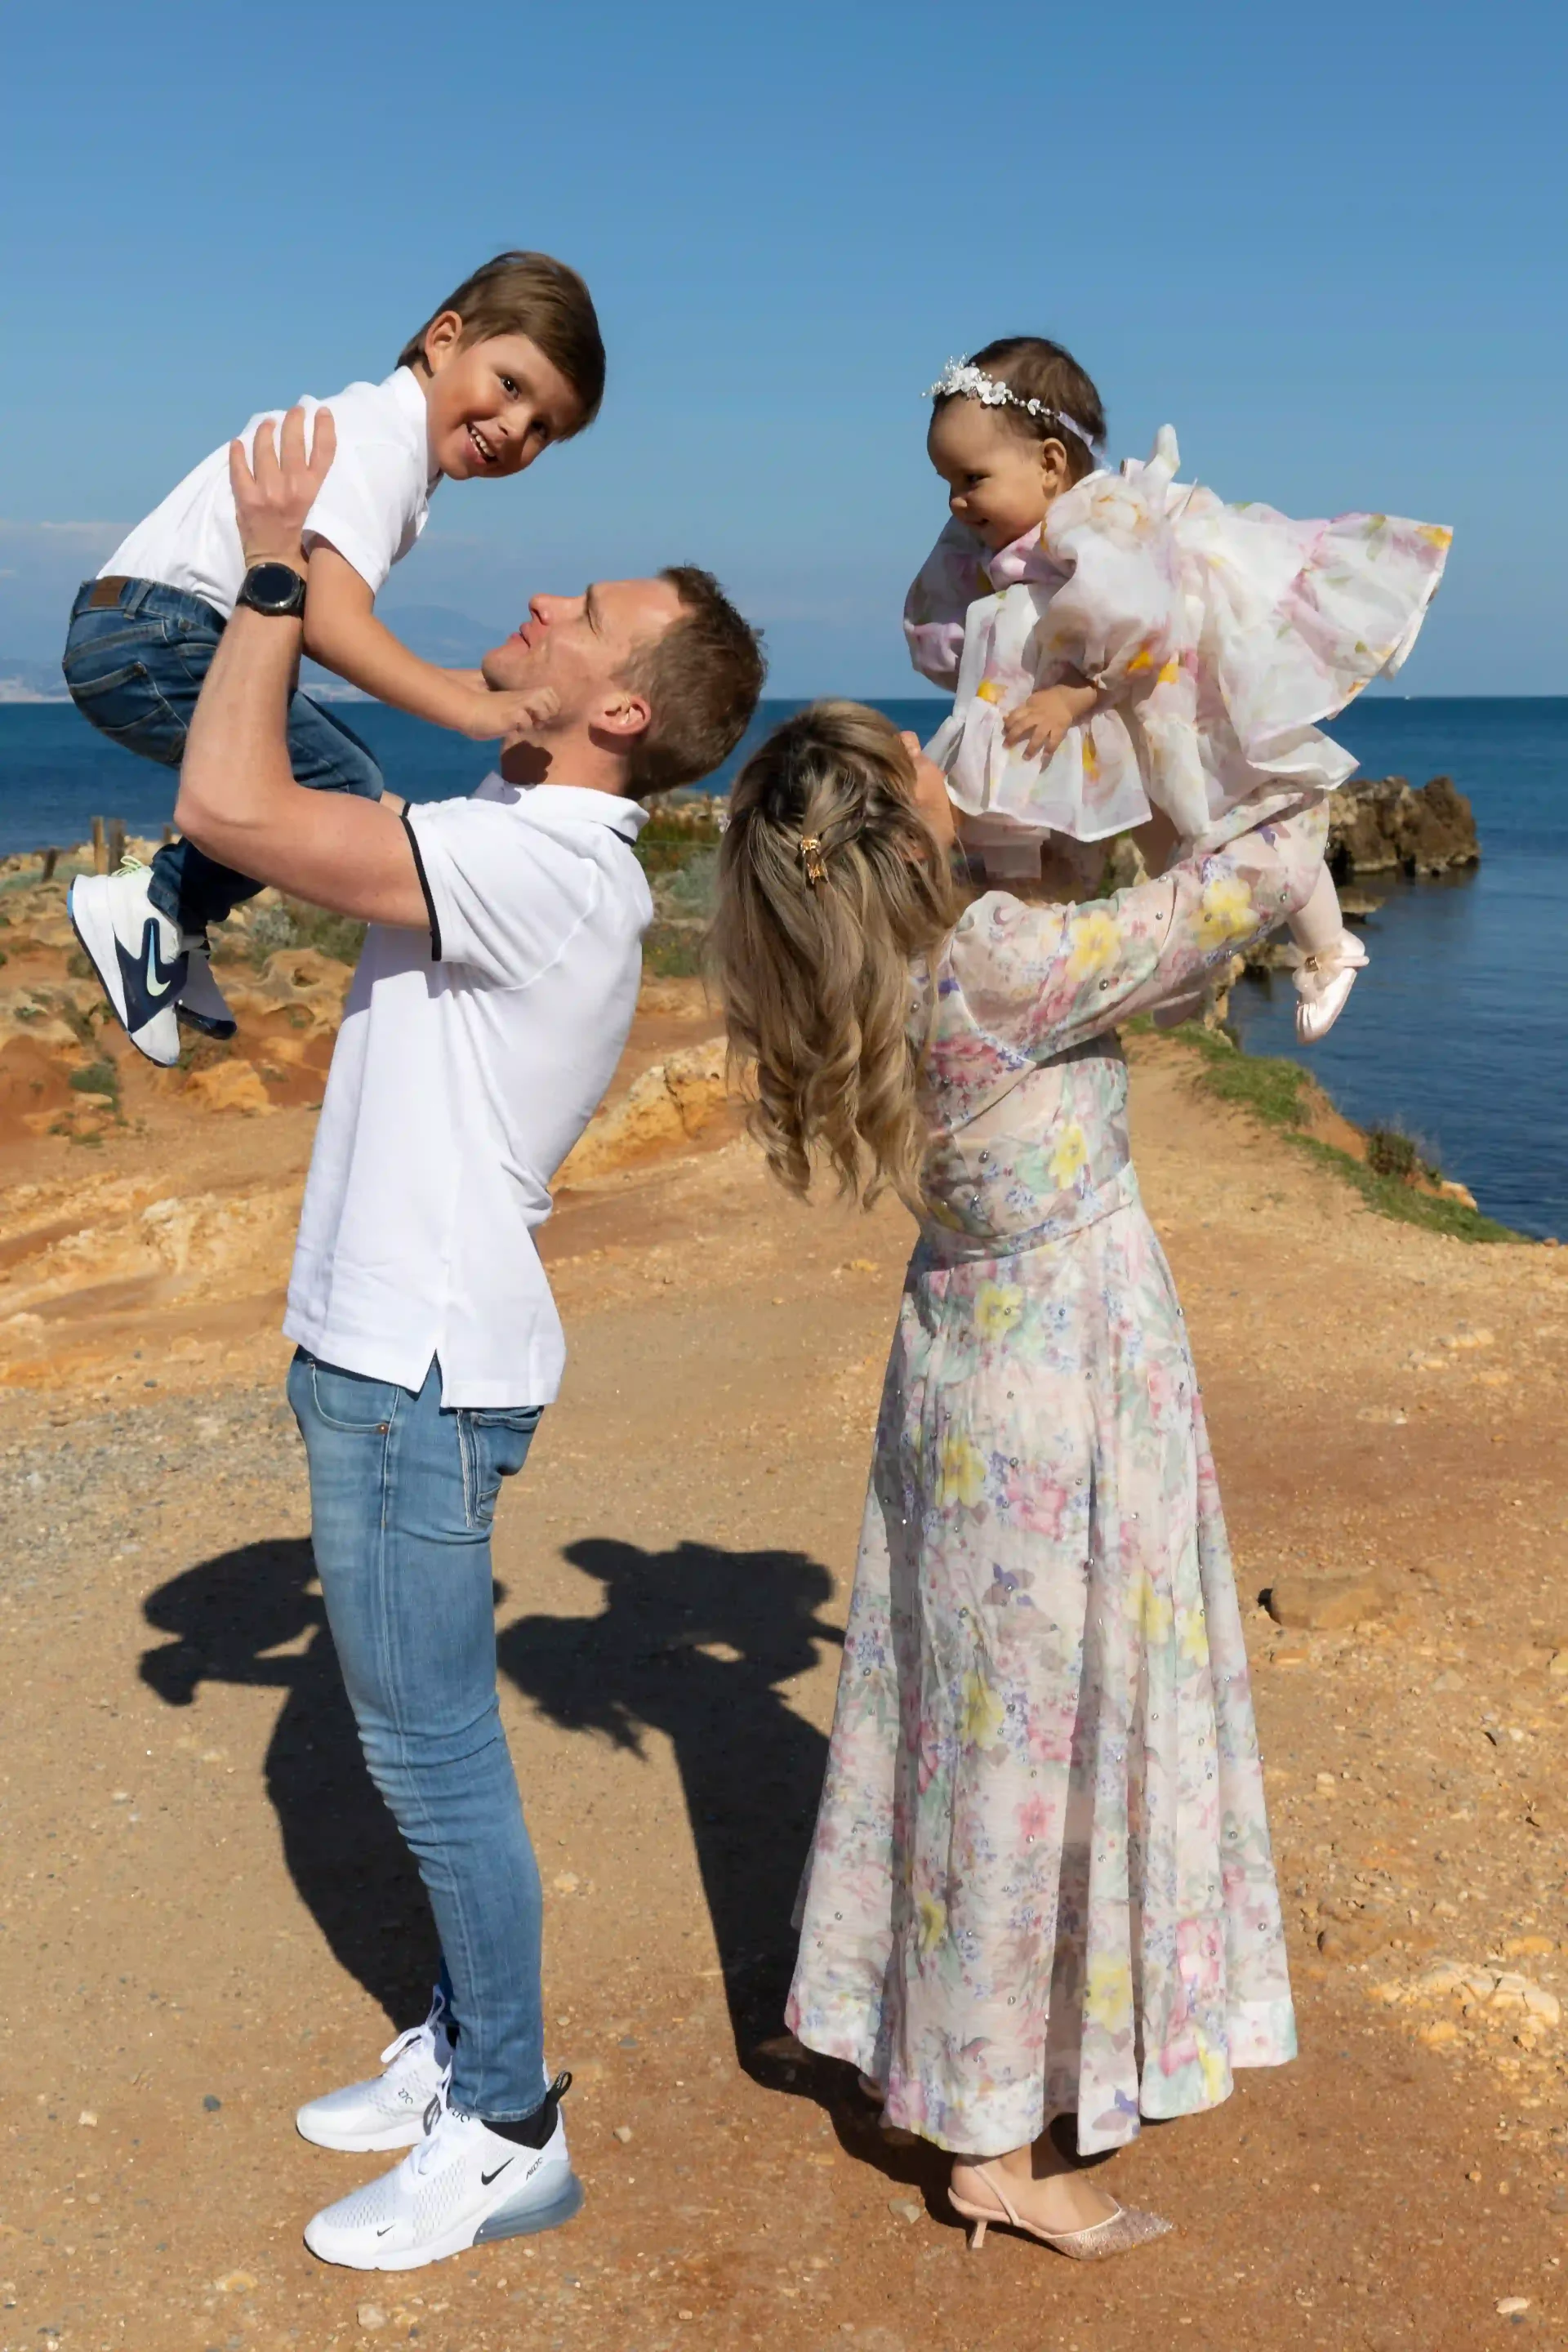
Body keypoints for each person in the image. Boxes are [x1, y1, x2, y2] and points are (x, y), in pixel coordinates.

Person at [172, 406, 764, 2270]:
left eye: (582, 611)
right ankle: (455, 2041)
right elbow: (426, 687)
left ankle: (509, 2125)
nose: (542, 600)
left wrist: (270, 572)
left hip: (416, 1371)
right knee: (418, 1741)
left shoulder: (547, 867)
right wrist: (326, 550)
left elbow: (229, 812)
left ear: (620, 712)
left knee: (432, 1762)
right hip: (399, 1352)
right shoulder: (524, 809)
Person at [710, 700, 1318, 2261]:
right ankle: (993, 2139)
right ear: (901, 826)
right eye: (926, 757)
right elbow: (1249, 885)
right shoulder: (988, 962)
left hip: (968, 1364)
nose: (953, 744)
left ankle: (939, 2036)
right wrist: (1229, 700)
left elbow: (1093, 906)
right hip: (1064, 1380)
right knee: (1033, 1747)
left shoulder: (881, 961)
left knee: (964, 1724)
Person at [64, 249, 604, 1066]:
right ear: (444, 340)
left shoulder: (387, 442)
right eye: (510, 386)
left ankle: (171, 918)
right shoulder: (382, 448)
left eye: (542, 430)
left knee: (321, 775)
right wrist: (470, 711)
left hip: (136, 626)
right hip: (156, 637)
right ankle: (158, 904)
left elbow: (333, 626)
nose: (514, 430)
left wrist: (493, 688)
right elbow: (333, 626)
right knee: (339, 784)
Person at [904, 338, 1451, 1040]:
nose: (956, 500)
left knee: (1237, 807)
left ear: (1050, 464)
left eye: (972, 478)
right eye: (946, 481)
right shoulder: (999, 534)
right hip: (1110, 726)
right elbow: (956, 606)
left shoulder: (1094, 519)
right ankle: (1180, 971)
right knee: (1163, 846)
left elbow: (1141, 610)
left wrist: (1076, 694)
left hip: (1160, 703)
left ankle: (1327, 946)